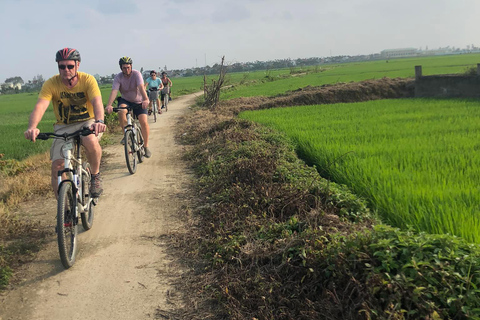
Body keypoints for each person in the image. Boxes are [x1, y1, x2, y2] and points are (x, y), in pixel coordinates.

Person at [24, 48, 106, 198]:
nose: (66, 70)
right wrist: (32, 127)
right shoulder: (51, 83)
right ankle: (65, 212)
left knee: (90, 140)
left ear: (77, 65)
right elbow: (40, 107)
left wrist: (99, 121)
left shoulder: (88, 80)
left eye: (70, 66)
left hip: (88, 122)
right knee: (57, 167)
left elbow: (97, 102)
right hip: (63, 126)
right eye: (62, 66)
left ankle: (95, 176)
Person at [105, 57, 152, 158]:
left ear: (131, 66)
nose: (126, 70)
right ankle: (126, 135)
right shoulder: (118, 77)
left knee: (143, 122)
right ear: (121, 68)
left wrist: (145, 99)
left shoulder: (136, 74)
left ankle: (146, 146)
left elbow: (141, 87)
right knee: (121, 111)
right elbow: (114, 91)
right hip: (126, 100)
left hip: (139, 100)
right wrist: (109, 105)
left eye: (128, 67)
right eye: (124, 68)